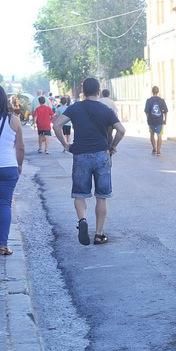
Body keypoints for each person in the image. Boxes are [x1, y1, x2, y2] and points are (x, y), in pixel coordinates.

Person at [52, 78, 126, 246]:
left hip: (81, 155)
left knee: (80, 194)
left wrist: (65, 144)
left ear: (83, 91)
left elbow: (57, 125)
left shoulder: (75, 108)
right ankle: (99, 235)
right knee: (101, 197)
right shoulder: (105, 109)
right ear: (98, 91)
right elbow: (121, 130)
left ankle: (83, 220)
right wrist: (112, 146)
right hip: (101, 154)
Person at [0, 86, 25, 255]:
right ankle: (2, 245)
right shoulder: (13, 120)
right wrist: (20, 165)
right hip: (9, 167)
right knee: (4, 204)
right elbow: (20, 147)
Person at [144, 86, 168, 156]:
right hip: (159, 121)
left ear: (152, 92)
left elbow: (146, 111)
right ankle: (158, 151)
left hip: (151, 121)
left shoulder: (148, 100)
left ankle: (154, 148)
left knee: (151, 134)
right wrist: (165, 120)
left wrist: (148, 118)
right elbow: (166, 111)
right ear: (158, 92)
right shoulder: (161, 100)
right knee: (159, 135)